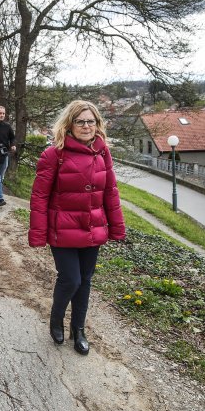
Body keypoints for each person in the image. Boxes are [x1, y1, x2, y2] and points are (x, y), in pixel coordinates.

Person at [28, 100, 125, 355]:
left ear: (97, 125)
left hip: (92, 229)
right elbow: (39, 197)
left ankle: (78, 329)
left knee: (85, 282)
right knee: (71, 279)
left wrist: (117, 227)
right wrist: (38, 234)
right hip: (63, 230)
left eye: (90, 121)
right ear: (69, 124)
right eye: (80, 121)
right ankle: (56, 318)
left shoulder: (103, 153)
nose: (85, 126)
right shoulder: (54, 154)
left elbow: (111, 192)